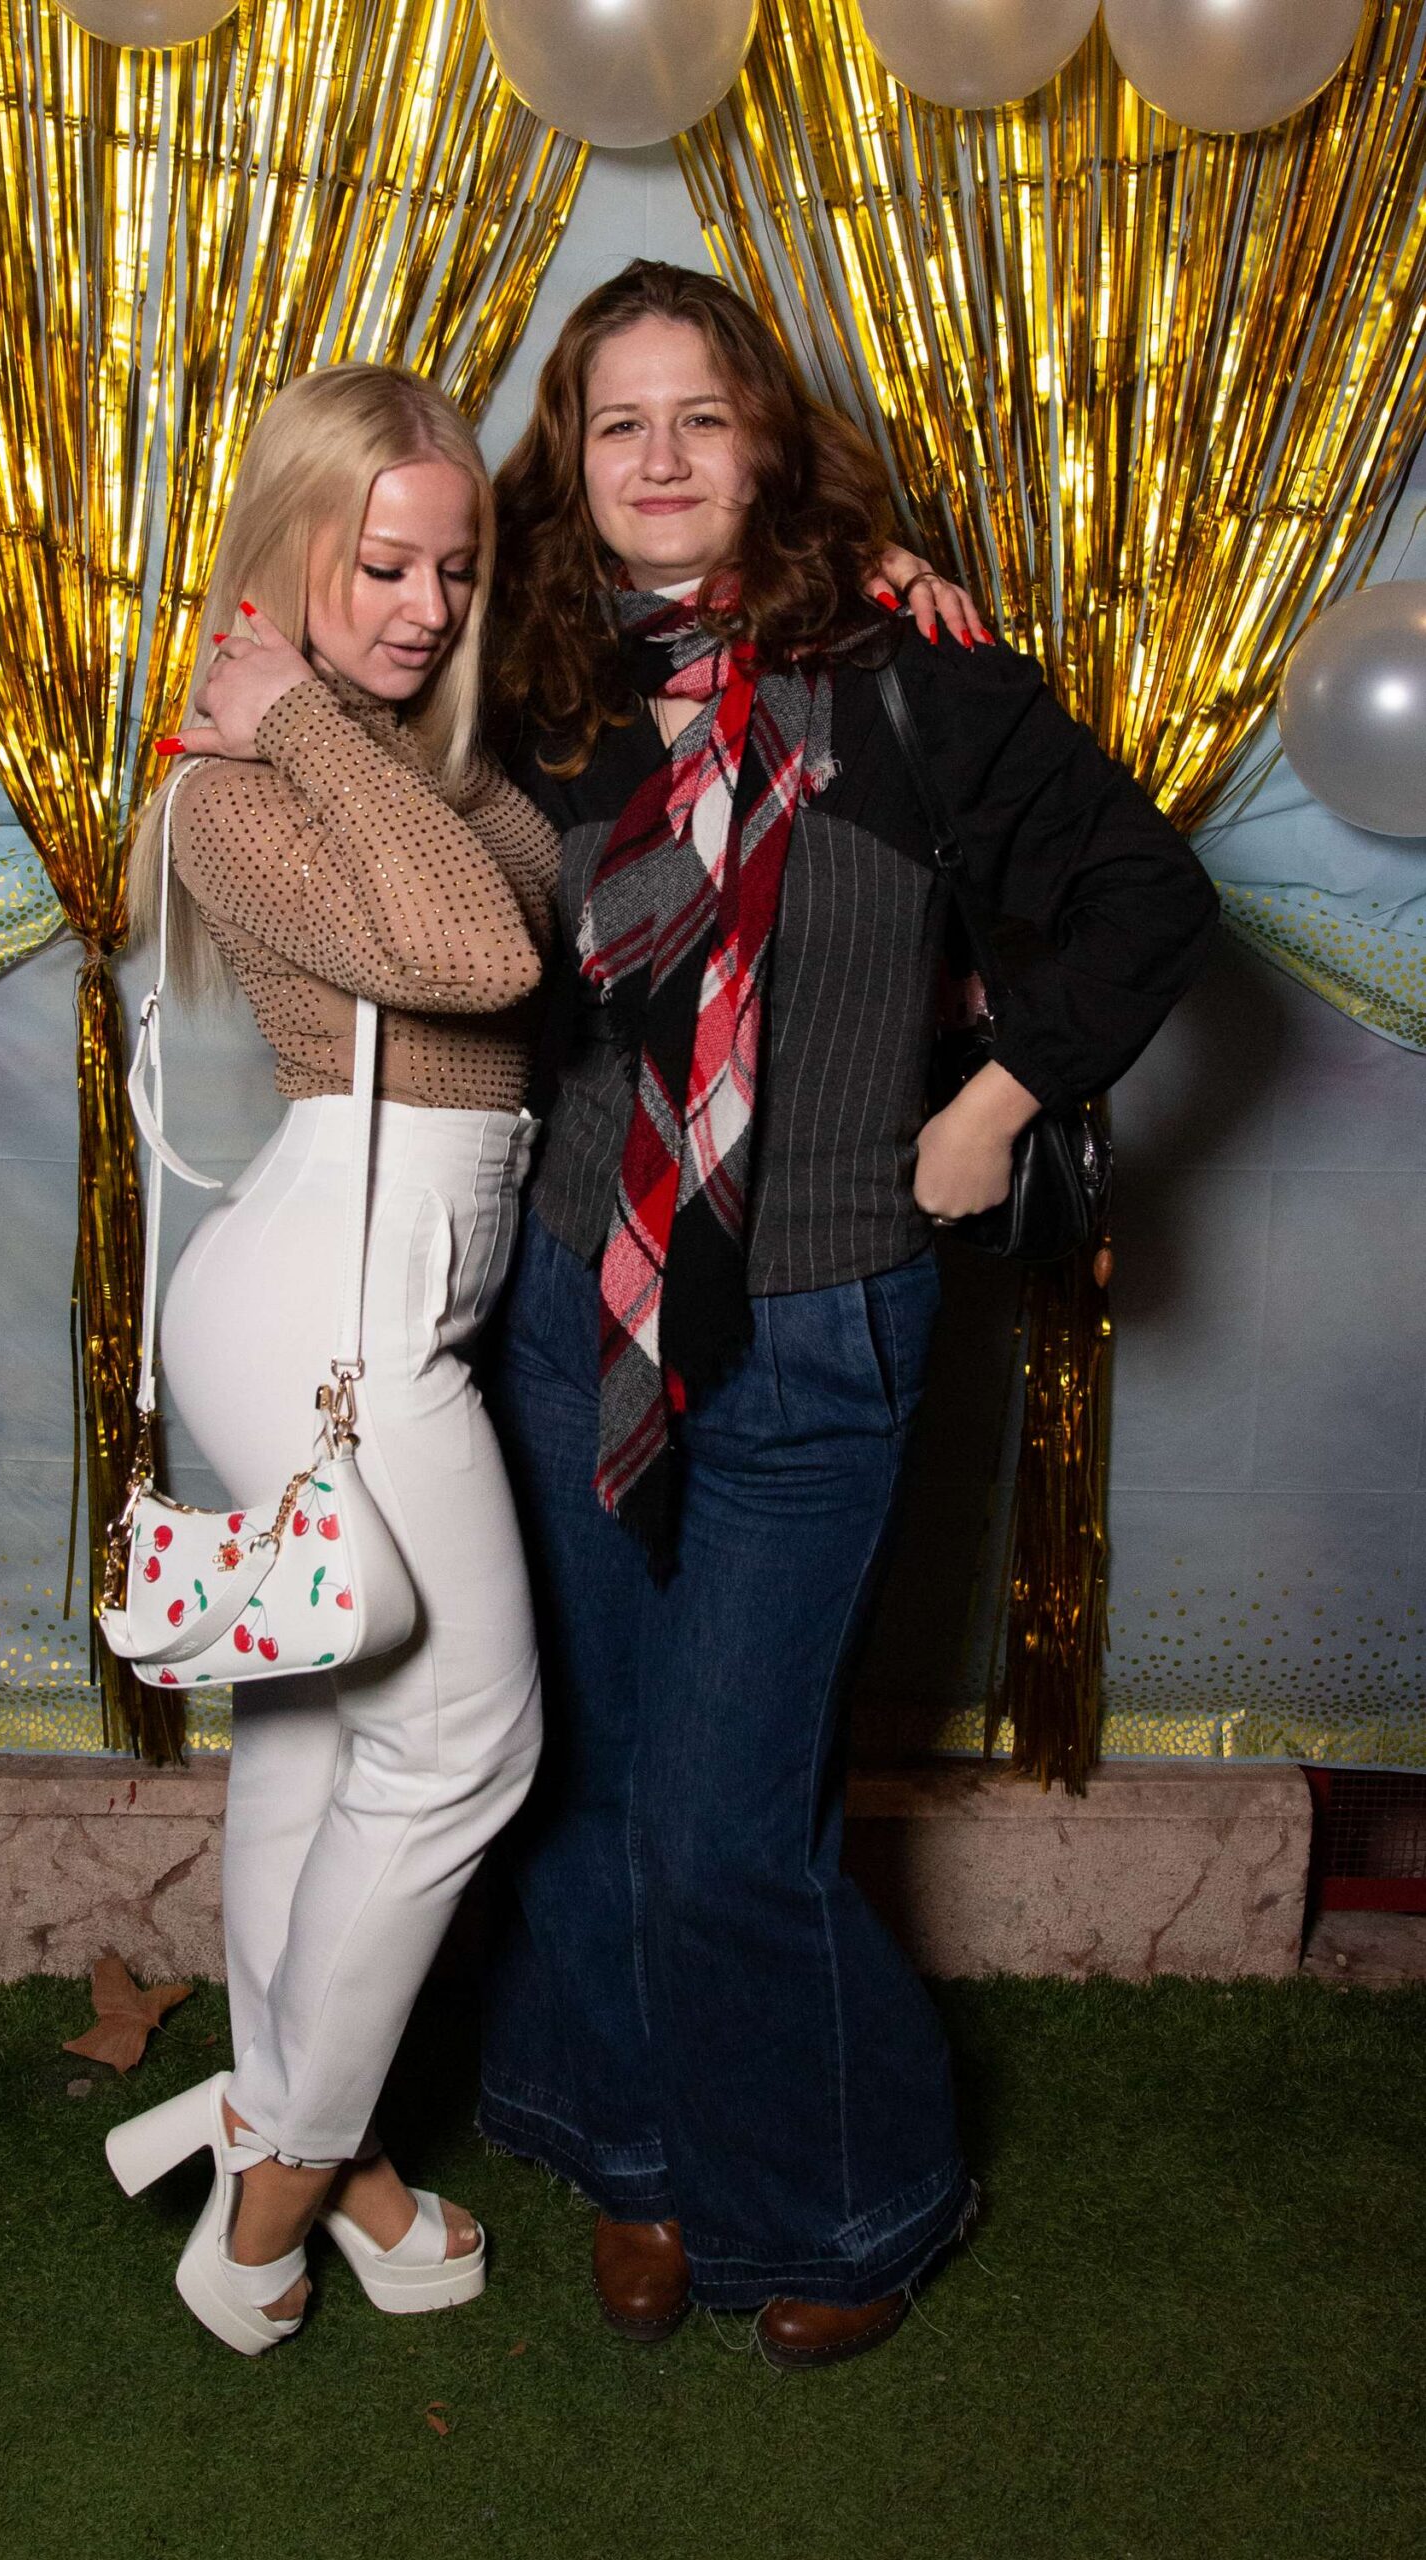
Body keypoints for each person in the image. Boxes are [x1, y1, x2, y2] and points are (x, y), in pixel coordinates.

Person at [478, 261, 1220, 2369]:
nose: (659, 460)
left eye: (701, 418)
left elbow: (1148, 898)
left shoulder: (903, 676)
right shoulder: (528, 683)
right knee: (588, 1776)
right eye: (618, 424)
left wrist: (994, 1102)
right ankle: (634, 2151)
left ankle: (842, 2197)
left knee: (730, 1816)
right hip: (573, 1306)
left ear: (767, 444)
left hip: (816, 1327)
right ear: (569, 461)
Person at [103, 363, 560, 2355]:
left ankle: (307, 2138)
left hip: (372, 1284)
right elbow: (479, 958)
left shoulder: (394, 766)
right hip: (328, 1300)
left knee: (317, 1728)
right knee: (466, 1743)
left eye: (454, 568)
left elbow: (511, 873)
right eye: (380, 564)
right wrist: (286, 712)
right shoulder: (234, 790)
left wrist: (326, 711)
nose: (426, 607)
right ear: (286, 552)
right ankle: (279, 2182)